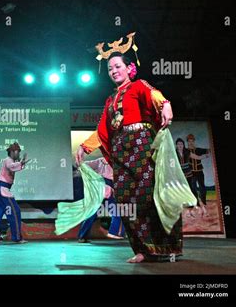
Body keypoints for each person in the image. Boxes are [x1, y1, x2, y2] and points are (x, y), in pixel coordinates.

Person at [76, 36, 181, 263]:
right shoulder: (110, 100)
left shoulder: (138, 86)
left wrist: (166, 105)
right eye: (110, 68)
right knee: (124, 200)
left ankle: (164, 246)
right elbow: (103, 129)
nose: (113, 70)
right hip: (121, 151)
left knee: (147, 196)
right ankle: (141, 249)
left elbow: (155, 96)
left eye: (118, 66)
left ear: (129, 68)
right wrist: (85, 147)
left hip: (142, 145)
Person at [0, 142, 29, 244]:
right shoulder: (8, 160)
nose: (18, 153)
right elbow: (11, 167)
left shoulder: (11, 161)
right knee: (15, 211)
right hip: (3, 190)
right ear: (12, 152)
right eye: (18, 151)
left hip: (0, 189)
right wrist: (21, 163)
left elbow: (16, 167)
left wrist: (22, 163)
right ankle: (17, 237)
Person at [77, 157, 124, 242]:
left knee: (116, 212)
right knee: (92, 213)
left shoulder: (117, 161)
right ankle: (82, 236)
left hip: (110, 186)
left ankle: (113, 233)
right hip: (102, 185)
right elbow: (83, 165)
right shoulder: (100, 161)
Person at [186, 134, 211, 217]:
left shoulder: (199, 150)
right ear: (187, 142)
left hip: (199, 171)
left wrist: (208, 153)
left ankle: (204, 203)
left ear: (194, 141)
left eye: (192, 141)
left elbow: (209, 151)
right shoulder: (186, 151)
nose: (191, 143)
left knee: (202, 188)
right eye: (189, 141)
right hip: (191, 173)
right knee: (193, 188)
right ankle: (196, 204)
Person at [175, 138, 198, 218]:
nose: (180, 145)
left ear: (183, 145)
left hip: (188, 174)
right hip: (179, 175)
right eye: (178, 144)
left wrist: (203, 156)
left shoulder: (187, 152)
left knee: (190, 190)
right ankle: (181, 211)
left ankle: (190, 211)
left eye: (181, 144)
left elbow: (195, 157)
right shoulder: (173, 153)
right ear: (176, 145)